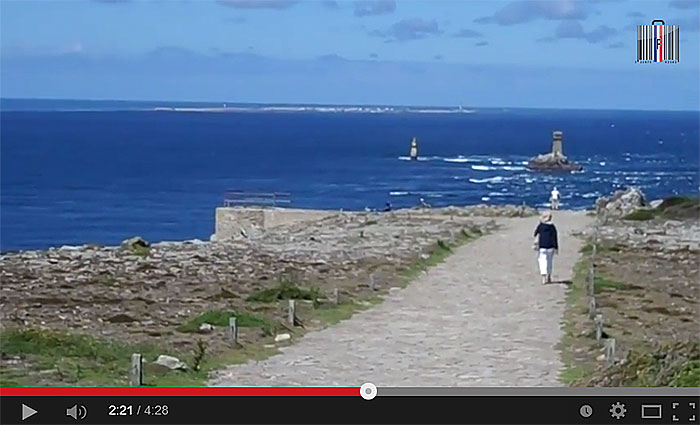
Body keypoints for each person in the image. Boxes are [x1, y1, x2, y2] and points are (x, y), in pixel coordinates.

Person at [533, 211, 558, 284]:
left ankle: (543, 277)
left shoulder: (541, 226)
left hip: (542, 246)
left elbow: (535, 233)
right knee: (549, 262)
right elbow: (554, 238)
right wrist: (556, 247)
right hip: (551, 247)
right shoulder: (552, 227)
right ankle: (549, 276)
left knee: (542, 261)